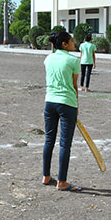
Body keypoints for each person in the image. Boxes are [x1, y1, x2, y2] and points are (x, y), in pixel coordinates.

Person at [42, 31, 81, 192]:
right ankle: (62, 181)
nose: (74, 43)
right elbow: (73, 86)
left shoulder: (48, 59)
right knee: (65, 143)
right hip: (67, 103)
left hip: (49, 102)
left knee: (49, 140)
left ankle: (46, 176)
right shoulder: (73, 60)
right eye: (71, 41)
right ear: (64, 44)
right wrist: (76, 106)